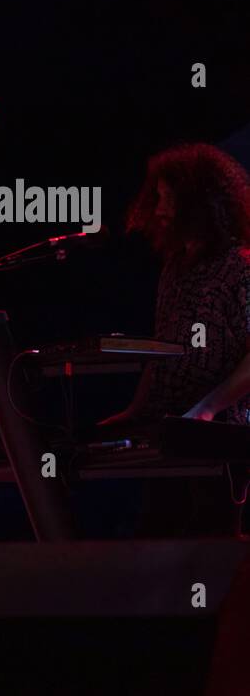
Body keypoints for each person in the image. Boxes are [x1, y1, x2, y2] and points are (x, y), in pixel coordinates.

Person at [100, 143, 250, 536]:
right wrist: (135, 411)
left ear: (200, 203)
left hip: (221, 437)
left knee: (211, 548)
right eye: (159, 198)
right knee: (159, 544)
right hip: (172, 431)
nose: (160, 209)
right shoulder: (174, 268)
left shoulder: (239, 265)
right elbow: (161, 349)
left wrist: (207, 409)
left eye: (169, 199)